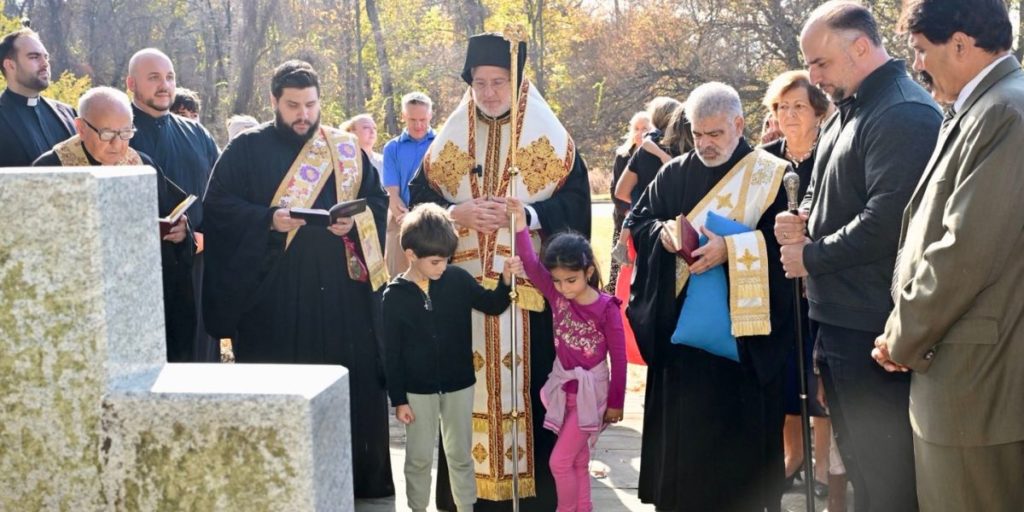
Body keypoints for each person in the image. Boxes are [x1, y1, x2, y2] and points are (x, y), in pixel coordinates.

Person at [409, 32, 591, 511]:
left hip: (528, 301)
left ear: (518, 81)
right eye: (480, 82)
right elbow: (417, 203)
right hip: (462, 298)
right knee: (462, 400)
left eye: (499, 82)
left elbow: (576, 208)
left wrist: (528, 217)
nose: (489, 92)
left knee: (532, 399)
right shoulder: (450, 139)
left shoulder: (549, 139)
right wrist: (456, 215)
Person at [775, 2, 943, 511]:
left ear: (861, 47)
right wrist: (800, 216)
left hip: (873, 326)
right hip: (838, 321)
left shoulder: (901, 110)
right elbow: (822, 189)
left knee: (886, 480)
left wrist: (812, 256)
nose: (814, 75)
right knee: (866, 472)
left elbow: (888, 222)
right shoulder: (849, 107)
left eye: (821, 62)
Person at [202, 60, 394, 499]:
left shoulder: (346, 147)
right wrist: (269, 219)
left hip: (343, 295)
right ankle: (279, 481)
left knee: (350, 379)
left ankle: (356, 480)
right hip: (275, 296)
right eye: (292, 105)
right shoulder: (246, 149)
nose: (303, 114)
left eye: (310, 104)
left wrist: (357, 222)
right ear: (273, 102)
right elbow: (218, 209)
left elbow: (377, 202)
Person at [871, 1, 1024, 509]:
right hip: (968, 379)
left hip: (977, 387)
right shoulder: (989, 105)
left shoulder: (1003, 111)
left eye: (920, 50)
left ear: (959, 44)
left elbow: (963, 253)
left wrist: (901, 336)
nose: (916, 64)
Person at [626, 82, 794, 511]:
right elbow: (640, 221)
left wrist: (732, 249)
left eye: (715, 134)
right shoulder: (675, 172)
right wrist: (661, 236)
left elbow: (787, 249)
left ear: (739, 124)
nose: (705, 144)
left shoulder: (771, 175)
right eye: (698, 134)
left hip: (744, 347)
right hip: (684, 348)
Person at [32, 87, 196, 357]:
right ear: (80, 127)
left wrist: (180, 233)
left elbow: (172, 217)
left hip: (138, 306)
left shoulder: (142, 165)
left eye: (126, 133)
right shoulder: (49, 170)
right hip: (80, 307)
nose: (118, 145)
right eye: (107, 134)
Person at [383, 203, 517, 512]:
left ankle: (465, 508)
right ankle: (417, 507)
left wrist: (506, 279)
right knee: (417, 457)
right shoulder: (394, 296)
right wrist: (398, 399)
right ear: (411, 254)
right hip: (416, 392)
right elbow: (392, 353)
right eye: (435, 261)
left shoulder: (457, 279)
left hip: (459, 384)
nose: (442, 267)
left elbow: (493, 304)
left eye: (446, 260)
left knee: (459, 454)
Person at [506, 197, 627, 512]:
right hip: (566, 389)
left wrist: (615, 403)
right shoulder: (557, 295)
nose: (563, 288)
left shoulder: (606, 309)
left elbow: (620, 358)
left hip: (593, 392)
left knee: (559, 462)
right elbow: (532, 265)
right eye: (557, 281)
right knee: (576, 460)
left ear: (588, 271)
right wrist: (520, 224)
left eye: (571, 280)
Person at [758, 69, 834, 496]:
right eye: (781, 107)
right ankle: (794, 459)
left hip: (821, 285)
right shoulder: (764, 160)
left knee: (817, 377)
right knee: (785, 378)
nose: (788, 114)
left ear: (818, 111)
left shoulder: (830, 154)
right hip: (774, 289)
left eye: (798, 106)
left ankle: (823, 469)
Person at [127, 48, 221, 363]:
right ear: (131, 83)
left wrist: (208, 235)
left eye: (169, 77)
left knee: (197, 360)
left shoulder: (197, 133)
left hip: (196, 265)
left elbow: (220, 194)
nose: (164, 85)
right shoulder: (116, 135)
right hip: (139, 270)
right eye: (153, 77)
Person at [0, 27, 76, 167]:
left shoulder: (68, 113)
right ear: (10, 65)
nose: (45, 63)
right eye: (34, 57)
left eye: (46, 57)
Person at [382, 92, 435, 276]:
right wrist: (406, 219)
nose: (418, 125)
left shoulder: (441, 144)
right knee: (400, 278)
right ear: (404, 116)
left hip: (433, 221)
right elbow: (392, 193)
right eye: (412, 120)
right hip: (400, 220)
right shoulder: (392, 148)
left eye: (423, 119)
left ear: (430, 115)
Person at [613, 96, 680, 207]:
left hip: (647, 217)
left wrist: (644, 204)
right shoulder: (685, 147)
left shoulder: (645, 150)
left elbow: (621, 192)